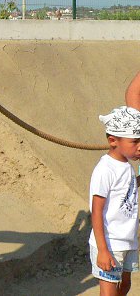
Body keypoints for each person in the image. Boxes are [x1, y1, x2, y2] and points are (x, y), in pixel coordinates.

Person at [89, 106, 140, 296]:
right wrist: (103, 250)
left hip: (128, 240)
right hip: (110, 243)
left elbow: (126, 188)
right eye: (135, 141)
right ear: (113, 141)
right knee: (109, 291)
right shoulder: (105, 169)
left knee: (125, 286)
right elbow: (96, 211)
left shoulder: (126, 166)